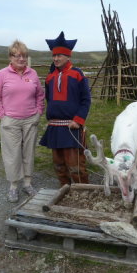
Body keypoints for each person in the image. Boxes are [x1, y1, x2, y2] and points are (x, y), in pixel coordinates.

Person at [0, 40, 45, 202]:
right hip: (11, 121)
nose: (21, 59)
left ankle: (27, 183)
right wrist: (3, 116)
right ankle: (13, 186)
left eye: (25, 56)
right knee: (12, 154)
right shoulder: (2, 74)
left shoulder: (32, 74)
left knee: (28, 152)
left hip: (30, 120)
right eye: (18, 56)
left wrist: (38, 112)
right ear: (10, 57)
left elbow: (40, 95)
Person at [40, 31, 91, 186]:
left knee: (75, 166)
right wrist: (50, 117)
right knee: (59, 165)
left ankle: (83, 193)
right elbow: (50, 99)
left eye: (60, 55)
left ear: (68, 56)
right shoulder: (50, 77)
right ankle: (65, 191)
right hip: (55, 126)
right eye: (54, 56)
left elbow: (86, 100)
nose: (56, 59)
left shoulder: (77, 74)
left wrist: (78, 120)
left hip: (72, 126)